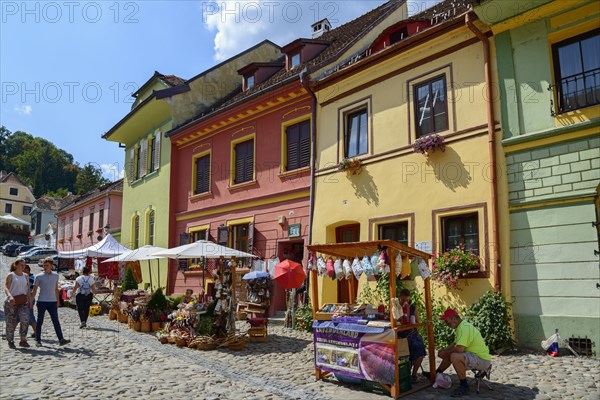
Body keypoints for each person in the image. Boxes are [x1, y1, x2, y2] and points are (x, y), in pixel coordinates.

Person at [431, 309, 491, 397]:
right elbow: (455, 344)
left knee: (454, 356)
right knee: (451, 353)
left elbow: (459, 349)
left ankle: (464, 385)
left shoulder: (463, 328)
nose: (446, 324)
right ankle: (437, 373)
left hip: (482, 359)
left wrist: (446, 353)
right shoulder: (462, 326)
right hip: (477, 356)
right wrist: (445, 350)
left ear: (453, 319)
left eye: (447, 322)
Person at [32, 257, 71, 346]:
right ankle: (38, 340)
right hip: (42, 301)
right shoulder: (38, 276)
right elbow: (34, 290)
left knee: (55, 321)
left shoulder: (55, 276)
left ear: (51, 266)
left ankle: (61, 339)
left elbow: (56, 289)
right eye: (44, 265)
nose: (45, 267)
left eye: (47, 265)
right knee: (40, 321)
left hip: (52, 302)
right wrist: (31, 300)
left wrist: (58, 301)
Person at [398, 289, 426, 383]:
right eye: (402, 300)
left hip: (412, 333)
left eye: (406, 300)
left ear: (409, 298)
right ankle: (404, 373)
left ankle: (414, 374)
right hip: (400, 334)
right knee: (401, 352)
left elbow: (418, 322)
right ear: (399, 299)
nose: (404, 302)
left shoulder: (413, 308)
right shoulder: (397, 308)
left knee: (420, 351)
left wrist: (412, 322)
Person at [3, 258, 31, 348]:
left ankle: (23, 339)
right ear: (16, 265)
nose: (23, 267)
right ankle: (10, 340)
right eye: (21, 265)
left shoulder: (26, 276)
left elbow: (28, 290)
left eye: (24, 265)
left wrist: (30, 300)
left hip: (22, 301)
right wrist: (10, 296)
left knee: (25, 318)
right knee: (11, 321)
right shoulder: (11, 275)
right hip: (11, 302)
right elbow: (6, 287)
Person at [21, 265, 37, 338]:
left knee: (30, 316)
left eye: (24, 270)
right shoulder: (31, 276)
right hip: (26, 298)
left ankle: (37, 332)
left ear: (27, 270)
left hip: (29, 298)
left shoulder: (31, 277)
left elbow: (28, 288)